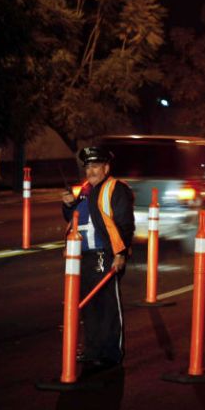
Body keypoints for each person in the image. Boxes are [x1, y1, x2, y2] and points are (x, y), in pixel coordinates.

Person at [61, 146, 135, 372]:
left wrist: (120, 254)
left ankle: (111, 354)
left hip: (105, 253)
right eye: (88, 167)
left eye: (95, 166)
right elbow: (79, 218)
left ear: (106, 167)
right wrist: (67, 205)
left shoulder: (116, 189)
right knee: (89, 306)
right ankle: (93, 350)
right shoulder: (85, 191)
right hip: (83, 256)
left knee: (107, 305)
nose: (90, 171)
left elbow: (125, 224)